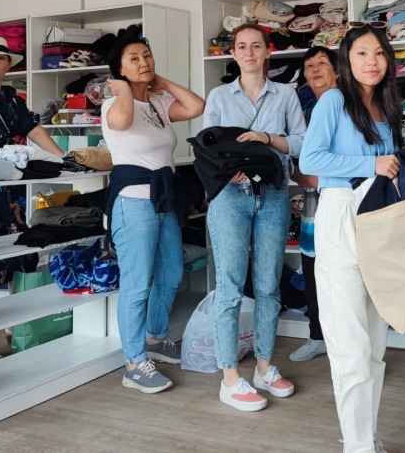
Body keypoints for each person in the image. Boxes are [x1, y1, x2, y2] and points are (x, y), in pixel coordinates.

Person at [299, 25, 403, 453]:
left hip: (378, 218)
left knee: (375, 345)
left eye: (378, 53)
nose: (371, 61)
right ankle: (358, 447)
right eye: (362, 53)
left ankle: (366, 438)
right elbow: (311, 159)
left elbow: (390, 166)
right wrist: (370, 164)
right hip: (341, 212)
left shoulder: (386, 105)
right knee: (351, 346)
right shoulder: (333, 100)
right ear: (347, 59)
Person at [202, 23, 306, 412]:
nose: (249, 52)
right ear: (233, 53)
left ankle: (264, 366)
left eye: (256, 46)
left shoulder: (286, 94)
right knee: (229, 287)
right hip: (231, 197)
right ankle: (229, 378)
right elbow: (207, 145)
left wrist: (266, 139)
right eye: (242, 46)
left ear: (267, 51)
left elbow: (301, 142)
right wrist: (228, 171)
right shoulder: (219, 96)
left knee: (268, 286)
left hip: (273, 195)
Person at [102, 34, 205, 394]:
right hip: (133, 203)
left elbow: (195, 106)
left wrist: (163, 83)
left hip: (163, 200)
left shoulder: (159, 103)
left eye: (147, 55)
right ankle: (133, 364)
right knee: (136, 285)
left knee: (172, 273)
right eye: (134, 58)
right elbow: (123, 120)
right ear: (119, 69)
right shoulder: (113, 104)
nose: (144, 62)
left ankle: (156, 339)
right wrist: (124, 89)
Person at [0, 35, 65, 364]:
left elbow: (33, 128)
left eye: (1, 58)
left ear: (9, 64)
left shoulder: (11, 97)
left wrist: (63, 159)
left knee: (14, 255)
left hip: (9, 191)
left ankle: (14, 325)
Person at [289, 47, 338, 363]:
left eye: (322, 63)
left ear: (337, 70)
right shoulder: (304, 115)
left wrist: (318, 172)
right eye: (309, 66)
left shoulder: (349, 108)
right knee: (313, 272)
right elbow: (298, 167)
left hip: (345, 203)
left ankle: (352, 344)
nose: (316, 69)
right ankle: (318, 337)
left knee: (347, 275)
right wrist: (304, 173)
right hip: (312, 207)